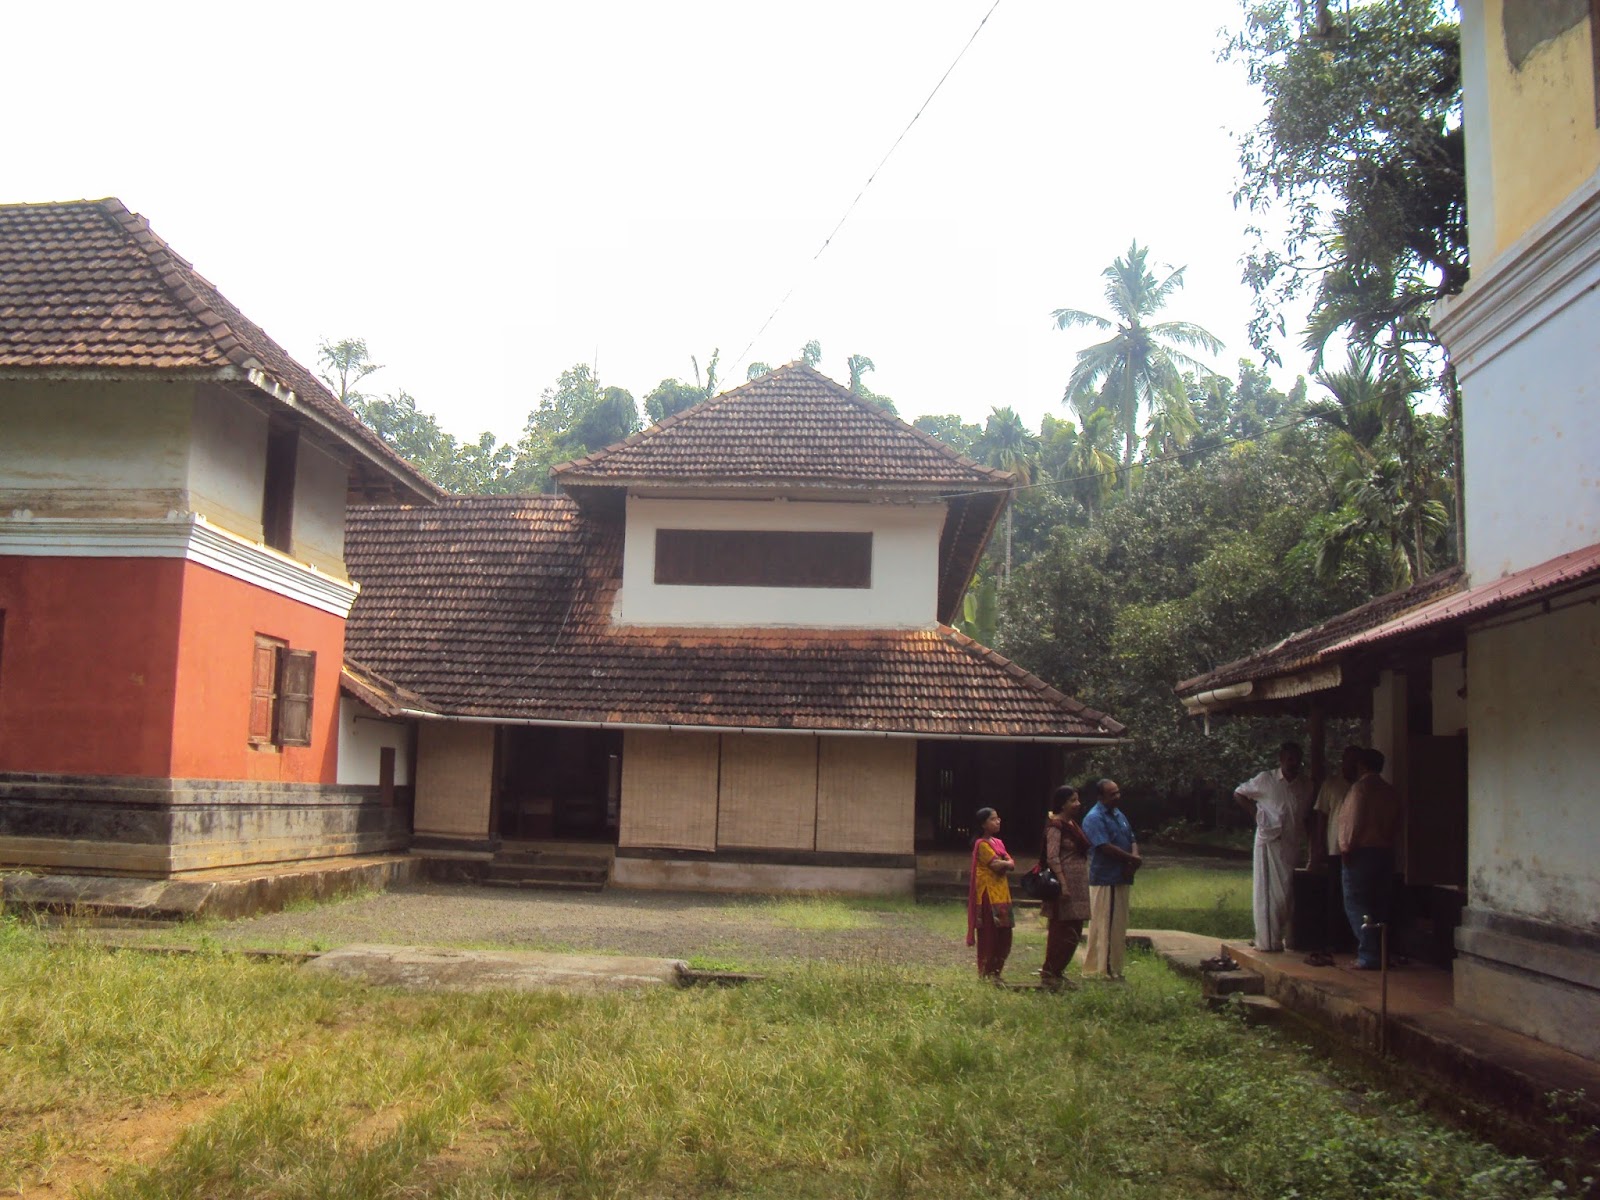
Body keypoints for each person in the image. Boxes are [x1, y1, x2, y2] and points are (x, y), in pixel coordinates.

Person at [1234, 741, 1312, 953]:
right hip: (1269, 842)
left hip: (1292, 844)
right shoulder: (1266, 780)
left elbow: (1307, 817)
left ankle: (1287, 937)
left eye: (1296, 759)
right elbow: (1239, 793)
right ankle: (1267, 941)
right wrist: (1259, 816)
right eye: (1288, 759)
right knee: (1269, 894)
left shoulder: (1305, 785)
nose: (1292, 763)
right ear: (1281, 759)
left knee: (1287, 894)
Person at [1339, 747, 1401, 970]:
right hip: (1384, 851)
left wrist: (1346, 847)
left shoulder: (1360, 790)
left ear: (1361, 765)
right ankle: (1381, 952)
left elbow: (1354, 822)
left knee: (1356, 903)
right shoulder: (1390, 791)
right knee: (1379, 904)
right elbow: (1396, 823)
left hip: (1361, 851)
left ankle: (1368, 954)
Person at [1081, 779, 1140, 979]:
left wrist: (1133, 860)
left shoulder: (1119, 814)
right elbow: (1104, 846)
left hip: (1122, 876)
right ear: (1101, 797)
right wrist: (1131, 859)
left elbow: (1131, 838)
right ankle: (1101, 970)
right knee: (1104, 924)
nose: (1117, 797)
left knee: (1118, 925)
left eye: (1117, 792)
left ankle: (1115, 967)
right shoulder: (1094, 818)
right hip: (1106, 878)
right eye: (1112, 794)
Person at [1309, 745, 1362, 959]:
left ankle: (1354, 939)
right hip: (1335, 848)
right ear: (1342, 761)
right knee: (1335, 895)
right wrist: (1319, 843)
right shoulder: (1331, 784)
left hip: (1359, 849)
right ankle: (1333, 940)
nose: (1351, 765)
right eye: (1348, 760)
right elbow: (1321, 815)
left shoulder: (1363, 785)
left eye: (1355, 761)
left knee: (1357, 896)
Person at [1039, 784, 1092, 989]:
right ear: (1062, 804)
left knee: (1075, 928)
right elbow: (1052, 857)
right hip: (1065, 884)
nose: (1077, 804)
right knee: (1061, 928)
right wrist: (1063, 884)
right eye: (1073, 800)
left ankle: (1059, 971)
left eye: (1078, 800)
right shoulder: (1056, 826)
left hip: (1079, 884)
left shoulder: (1073, 825)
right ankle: (1050, 971)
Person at [965, 807, 1015, 980]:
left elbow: (1011, 863)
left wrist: (1006, 863)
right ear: (983, 824)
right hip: (988, 896)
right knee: (989, 936)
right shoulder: (982, 844)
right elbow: (996, 865)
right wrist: (1005, 862)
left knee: (1005, 935)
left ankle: (997, 972)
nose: (998, 821)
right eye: (993, 819)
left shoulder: (999, 843)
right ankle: (987, 973)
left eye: (998, 818)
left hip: (1002, 895)